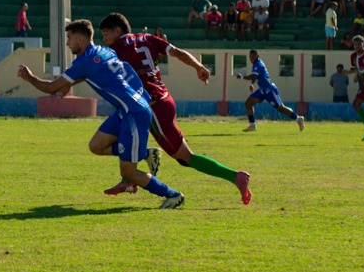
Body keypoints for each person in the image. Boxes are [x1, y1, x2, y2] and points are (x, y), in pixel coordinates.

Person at [16, 20, 185, 209]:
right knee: (96, 146)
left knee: (128, 172)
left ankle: (173, 195)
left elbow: (50, 88)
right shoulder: (104, 51)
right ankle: (146, 153)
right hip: (127, 109)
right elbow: (105, 72)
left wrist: (29, 77)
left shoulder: (84, 61)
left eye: (70, 38)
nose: (67, 43)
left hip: (134, 113)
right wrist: (69, 83)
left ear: (81, 39)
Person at [98, 12, 253, 205]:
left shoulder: (115, 50)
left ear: (117, 31)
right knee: (125, 134)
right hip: (163, 100)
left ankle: (235, 176)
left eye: (105, 35)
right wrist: (199, 67)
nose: (104, 40)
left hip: (153, 108)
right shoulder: (148, 38)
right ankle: (129, 179)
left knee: (185, 157)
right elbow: (178, 53)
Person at [235, 49, 305, 133]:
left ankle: (298, 118)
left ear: (258, 56)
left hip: (269, 91)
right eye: (250, 56)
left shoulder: (258, 64)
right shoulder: (255, 64)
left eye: (253, 56)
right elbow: (256, 76)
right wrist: (251, 84)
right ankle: (252, 125)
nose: (251, 58)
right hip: (262, 91)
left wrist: (242, 77)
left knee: (281, 108)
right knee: (248, 103)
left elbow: (254, 76)